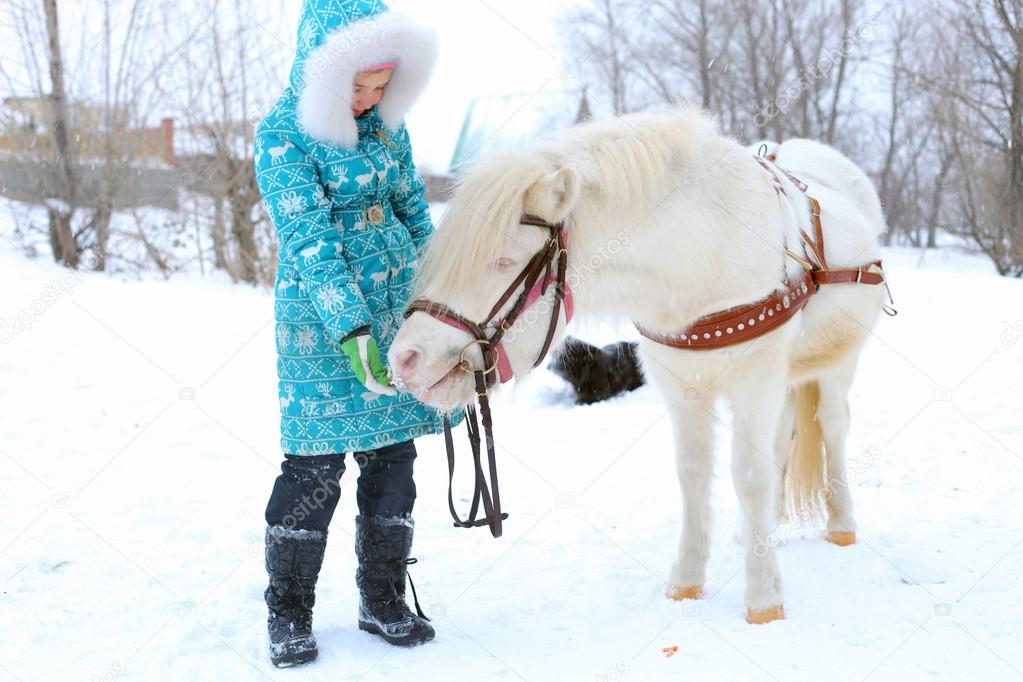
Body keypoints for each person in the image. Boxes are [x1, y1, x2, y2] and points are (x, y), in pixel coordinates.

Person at [253, 0, 448, 667]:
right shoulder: (283, 133)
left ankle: (382, 596)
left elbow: (413, 211)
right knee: (315, 464)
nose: (369, 99)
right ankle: (288, 609)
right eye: (357, 85)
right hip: (321, 323)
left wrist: (440, 300)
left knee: (394, 456)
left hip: (398, 315)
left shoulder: (389, 130)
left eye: (380, 85)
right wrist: (350, 329)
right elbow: (307, 239)